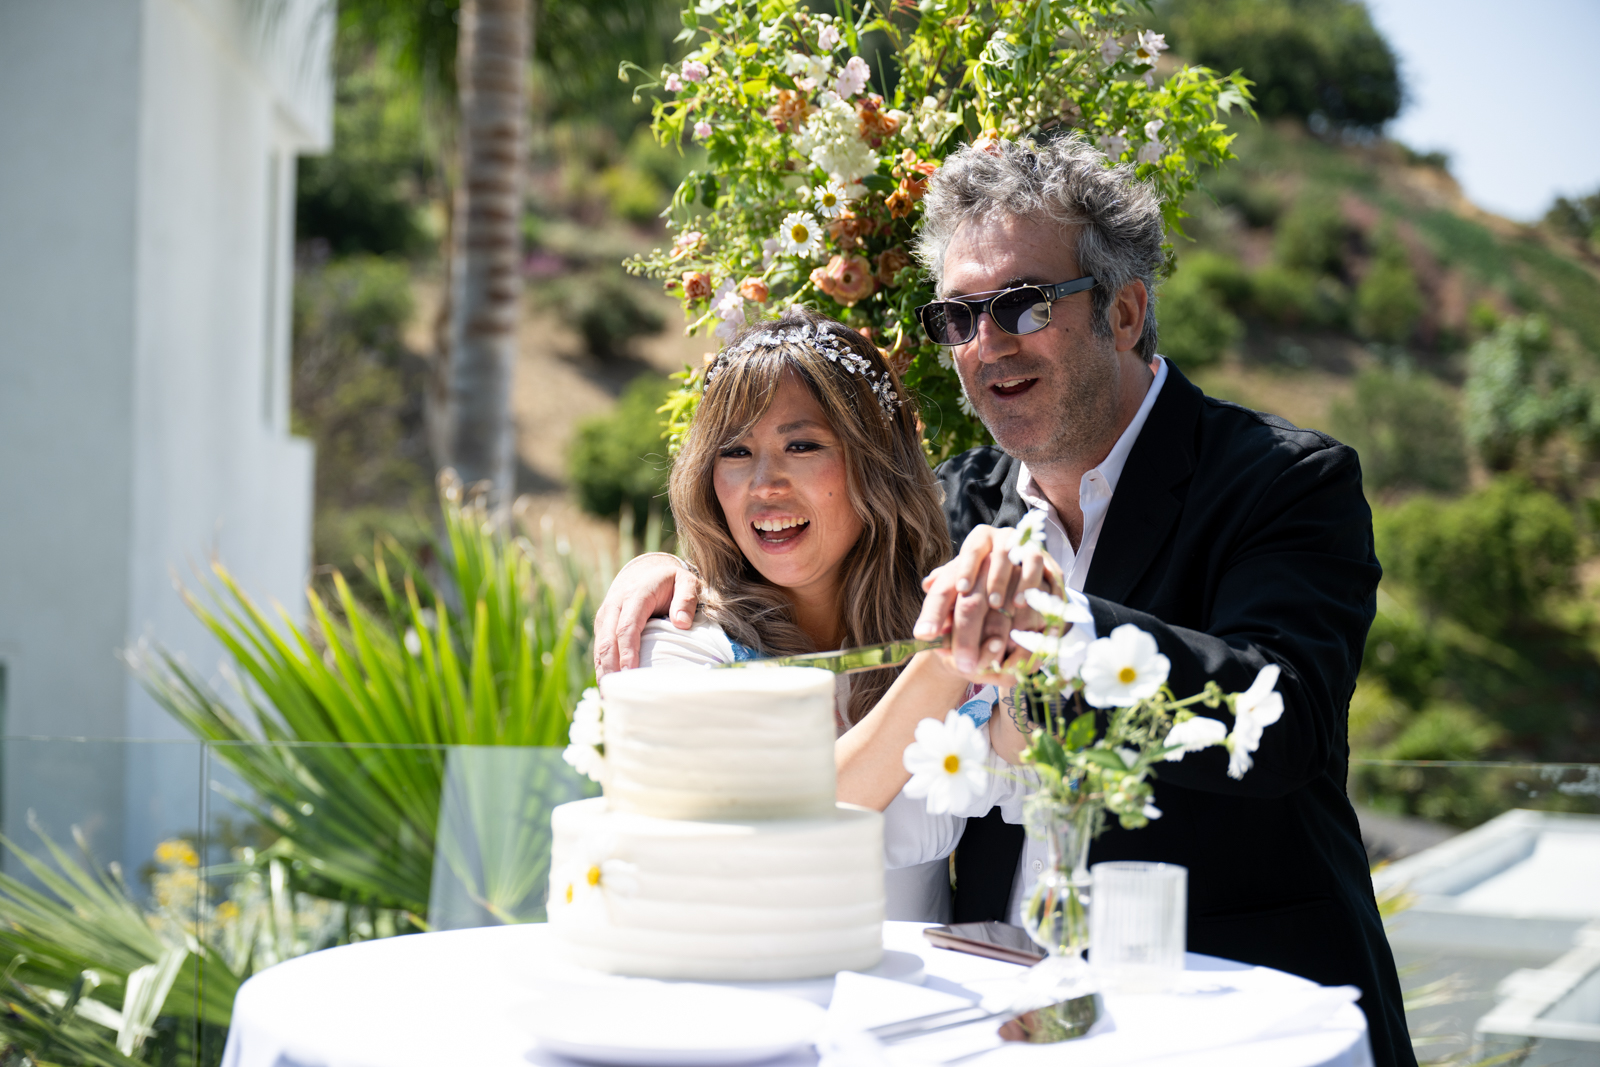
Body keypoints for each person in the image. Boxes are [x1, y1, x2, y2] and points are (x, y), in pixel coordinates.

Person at [593, 136, 1414, 1066]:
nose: (989, 344)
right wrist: (674, 572)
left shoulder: (1283, 480)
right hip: (984, 1025)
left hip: (1224, 1008)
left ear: (1126, 310)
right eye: (961, 316)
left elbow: (1289, 719)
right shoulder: (954, 503)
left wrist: (1071, 628)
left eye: (1023, 304)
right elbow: (808, 548)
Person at [624, 305, 1016, 921]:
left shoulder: (937, 625)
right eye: (734, 452)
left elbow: (1033, 769)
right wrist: (946, 659)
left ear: (875, 463)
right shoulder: (679, 644)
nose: (764, 484)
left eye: (801, 445)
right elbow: (793, 814)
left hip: (931, 1010)